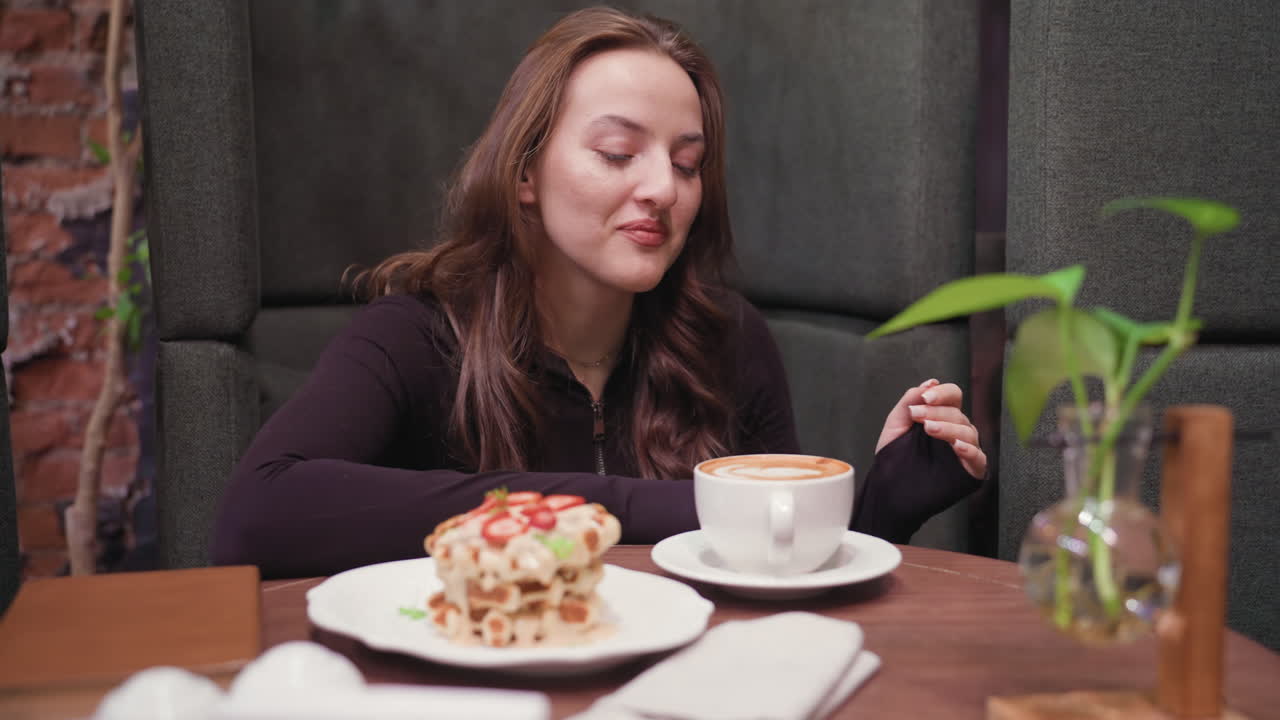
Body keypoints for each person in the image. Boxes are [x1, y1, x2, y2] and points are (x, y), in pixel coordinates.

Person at [211, 7, 985, 578]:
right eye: (618, 152)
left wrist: (880, 510)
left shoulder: (730, 341)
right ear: (523, 174)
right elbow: (258, 518)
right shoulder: (415, 335)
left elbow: (770, 581)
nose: (661, 189)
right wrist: (637, 508)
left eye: (686, 165)